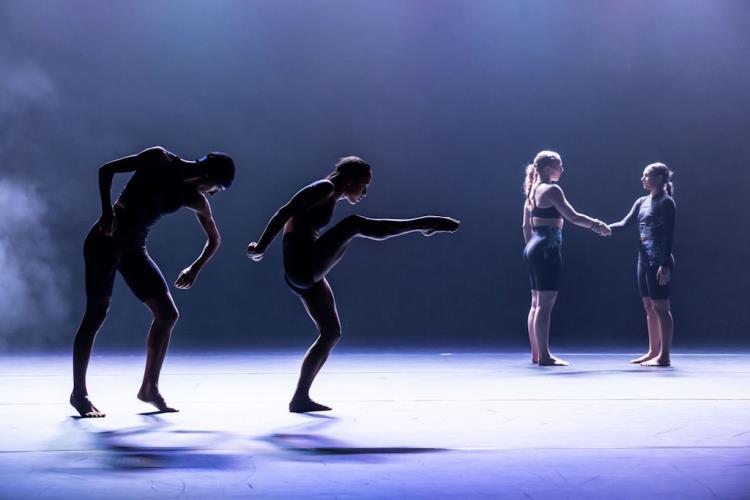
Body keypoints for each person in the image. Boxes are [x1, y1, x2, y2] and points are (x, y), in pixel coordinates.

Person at [247, 156, 459, 412]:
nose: (365, 192)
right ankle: (423, 224)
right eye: (363, 186)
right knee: (354, 224)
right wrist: (261, 245)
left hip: (306, 272)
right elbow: (285, 211)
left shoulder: (331, 195)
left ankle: (300, 398)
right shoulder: (324, 188)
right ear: (349, 181)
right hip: (302, 266)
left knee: (331, 333)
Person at [70, 146, 234, 418]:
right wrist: (107, 213)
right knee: (95, 315)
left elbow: (214, 240)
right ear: (207, 176)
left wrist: (194, 268)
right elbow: (106, 170)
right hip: (104, 241)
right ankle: (79, 394)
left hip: (134, 250)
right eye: (217, 187)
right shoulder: (160, 158)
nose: (214, 193)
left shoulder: (195, 199)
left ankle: (149, 389)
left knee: (167, 315)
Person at [522, 150, 611, 366]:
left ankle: (537, 354)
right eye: (559, 166)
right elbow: (572, 216)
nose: (562, 169)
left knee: (536, 303)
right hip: (547, 247)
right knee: (545, 304)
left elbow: (525, 226)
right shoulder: (552, 189)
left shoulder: (532, 191)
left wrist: (531, 248)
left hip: (534, 247)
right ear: (547, 169)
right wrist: (597, 225)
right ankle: (545, 356)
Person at [609, 163, 675, 367]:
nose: (642, 179)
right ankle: (652, 351)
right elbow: (623, 224)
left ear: (659, 179)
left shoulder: (666, 202)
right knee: (649, 307)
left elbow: (670, 235)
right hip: (643, 260)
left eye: (646, 176)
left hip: (659, 261)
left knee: (661, 307)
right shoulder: (641, 202)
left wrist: (665, 265)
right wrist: (599, 227)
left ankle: (664, 356)